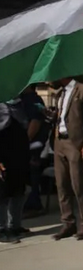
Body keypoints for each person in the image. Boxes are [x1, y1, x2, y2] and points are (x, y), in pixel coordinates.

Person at [52, 77, 83, 241]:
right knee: (61, 184)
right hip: (59, 141)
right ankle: (68, 222)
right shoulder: (59, 94)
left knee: (78, 184)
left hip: (75, 143)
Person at [0, 100, 30, 243]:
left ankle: (15, 226)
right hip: (3, 155)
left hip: (18, 154)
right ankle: (1, 229)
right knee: (2, 193)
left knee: (18, 190)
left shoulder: (18, 106)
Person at [19, 85, 48, 217]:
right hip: (28, 145)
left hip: (33, 146)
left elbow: (35, 122)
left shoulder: (33, 100)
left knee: (32, 174)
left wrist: (24, 142)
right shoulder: (24, 99)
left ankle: (34, 204)